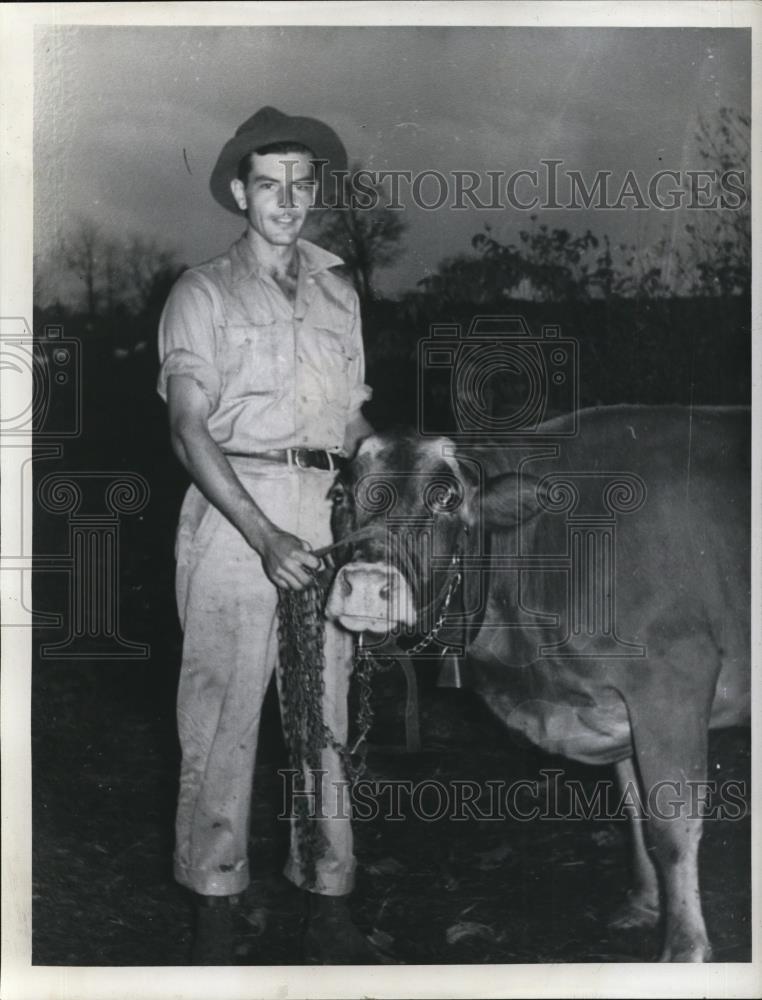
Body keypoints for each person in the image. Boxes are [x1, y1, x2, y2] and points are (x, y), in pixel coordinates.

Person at [157, 106, 379, 965]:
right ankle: (215, 906)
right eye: (270, 183)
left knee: (325, 713)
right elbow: (188, 429)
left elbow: (354, 419)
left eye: (302, 182)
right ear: (241, 194)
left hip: (328, 514)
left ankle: (329, 899)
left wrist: (394, 488)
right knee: (222, 718)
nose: (288, 198)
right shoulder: (201, 291)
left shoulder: (340, 291)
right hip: (232, 512)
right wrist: (262, 535)